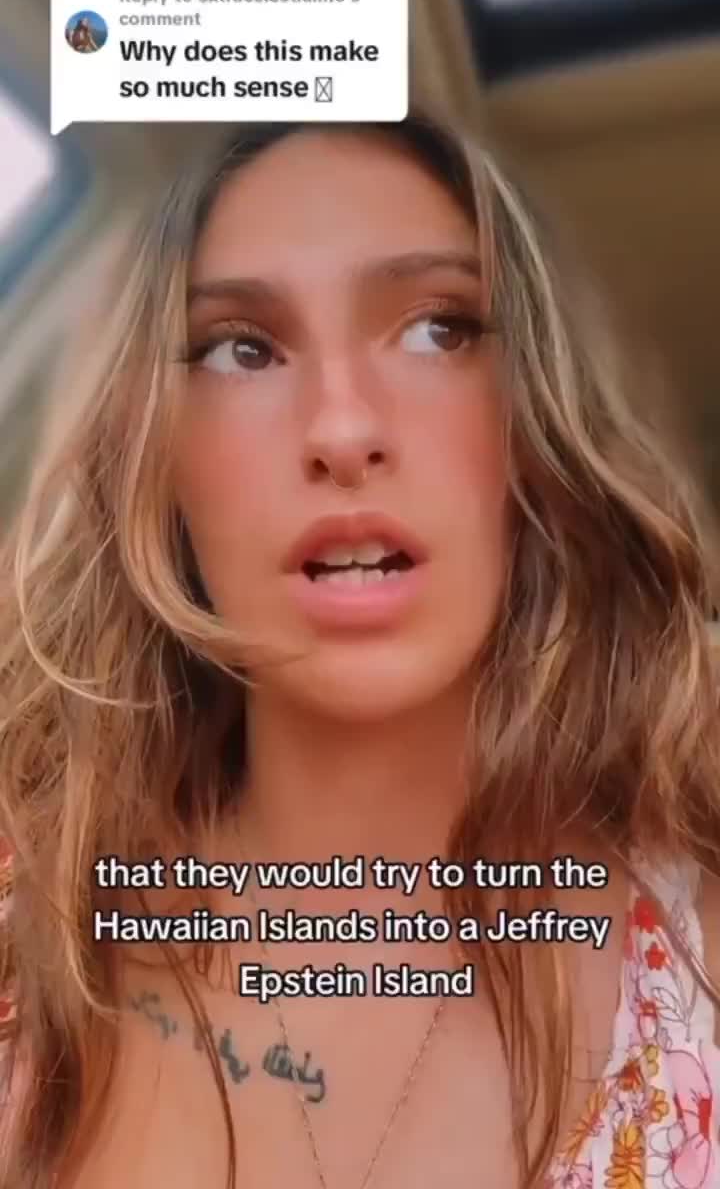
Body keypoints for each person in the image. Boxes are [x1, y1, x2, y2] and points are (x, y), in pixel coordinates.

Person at [0, 109, 719, 1189]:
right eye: (242, 349)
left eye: (439, 329)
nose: (342, 430)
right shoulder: (32, 940)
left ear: (533, 422)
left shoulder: (694, 947)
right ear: (157, 459)